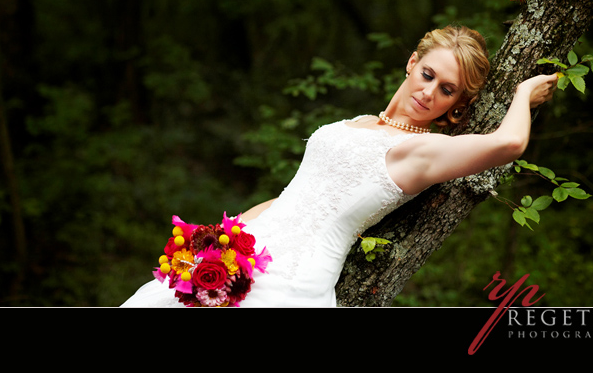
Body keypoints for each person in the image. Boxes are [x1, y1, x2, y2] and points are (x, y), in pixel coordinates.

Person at [121, 25, 558, 307]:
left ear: (455, 104)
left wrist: (523, 93)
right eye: (427, 75)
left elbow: (510, 142)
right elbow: (294, 195)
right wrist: (220, 236)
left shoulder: (421, 151)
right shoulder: (357, 124)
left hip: (293, 277)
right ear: (411, 63)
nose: (429, 93)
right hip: (247, 249)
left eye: (447, 90)